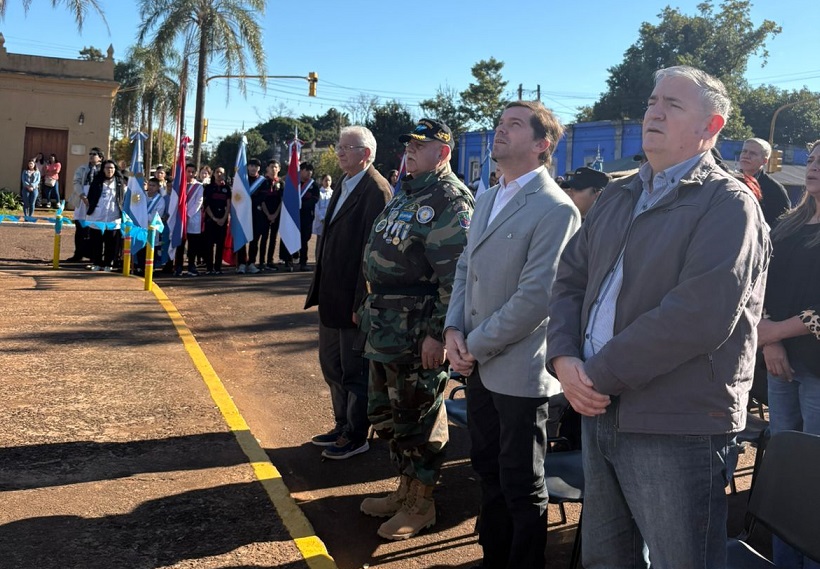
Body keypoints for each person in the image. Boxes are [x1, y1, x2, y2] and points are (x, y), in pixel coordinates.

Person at [546, 65, 770, 568]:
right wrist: (562, 357)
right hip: (598, 407)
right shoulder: (618, 194)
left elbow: (697, 315)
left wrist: (593, 376)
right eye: (652, 101)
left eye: (673, 104)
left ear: (710, 128)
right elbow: (569, 281)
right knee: (607, 559)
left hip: (677, 422)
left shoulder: (728, 205)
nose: (654, 111)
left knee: (681, 560)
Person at [444, 101, 581, 569]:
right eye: (500, 124)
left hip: (519, 374)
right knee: (487, 471)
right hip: (476, 363)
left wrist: (471, 347)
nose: (500, 131)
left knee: (522, 483)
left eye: (514, 125)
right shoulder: (486, 197)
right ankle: (494, 558)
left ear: (542, 145)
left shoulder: (555, 208)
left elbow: (536, 299)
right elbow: (466, 269)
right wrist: (451, 331)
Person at [358, 118, 474, 540]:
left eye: (420, 144)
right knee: (386, 415)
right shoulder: (407, 191)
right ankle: (404, 487)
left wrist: (439, 333)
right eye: (409, 142)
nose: (410, 148)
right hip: (385, 325)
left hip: (417, 331)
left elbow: (457, 277)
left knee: (417, 415)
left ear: (442, 153)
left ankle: (421, 502)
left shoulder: (449, 200)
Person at [304, 126, 392, 460]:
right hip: (331, 295)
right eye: (338, 146)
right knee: (331, 364)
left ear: (366, 153)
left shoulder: (377, 190)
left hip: (353, 300)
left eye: (347, 147)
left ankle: (356, 434)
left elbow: (373, 253)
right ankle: (341, 425)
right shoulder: (344, 181)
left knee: (354, 370)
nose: (339, 152)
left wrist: (362, 300)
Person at [757, 139, 820, 569]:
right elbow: (758, 281)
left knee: (813, 476)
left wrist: (775, 331)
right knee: (784, 470)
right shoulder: (788, 223)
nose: (813, 167)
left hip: (817, 371)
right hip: (780, 364)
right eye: (813, 159)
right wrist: (772, 340)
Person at [739, 137, 791, 227]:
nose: (746, 156)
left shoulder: (775, 190)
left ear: (765, 161)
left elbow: (783, 224)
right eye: (744, 151)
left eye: (752, 153)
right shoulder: (731, 181)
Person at [83, 160, 126, 271]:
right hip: (97, 216)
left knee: (111, 242)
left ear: (115, 169)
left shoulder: (119, 182)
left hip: (113, 216)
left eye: (112, 168)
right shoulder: (97, 181)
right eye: (107, 168)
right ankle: (97, 263)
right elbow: (91, 197)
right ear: (103, 169)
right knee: (96, 241)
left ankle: (109, 263)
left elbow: (122, 198)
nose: (109, 170)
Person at [67, 147, 104, 263]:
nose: (92, 156)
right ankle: (78, 254)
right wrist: (82, 195)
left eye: (95, 154)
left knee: (94, 228)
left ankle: (94, 255)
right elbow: (76, 182)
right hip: (82, 199)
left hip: (97, 200)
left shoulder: (103, 169)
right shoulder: (82, 168)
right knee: (80, 228)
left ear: (100, 157)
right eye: (90, 153)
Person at [174, 163, 205, 277]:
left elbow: (199, 202)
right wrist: (181, 216)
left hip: (193, 219)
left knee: (193, 245)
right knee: (180, 244)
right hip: (180, 219)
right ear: (185, 172)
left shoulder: (199, 186)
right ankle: (178, 266)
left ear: (196, 173)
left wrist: (187, 214)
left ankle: (191, 266)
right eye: (189, 171)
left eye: (193, 172)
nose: (190, 174)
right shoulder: (180, 185)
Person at [135, 177, 168, 275]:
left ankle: (150, 267)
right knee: (141, 247)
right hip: (140, 226)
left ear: (158, 187)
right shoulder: (141, 196)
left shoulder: (160, 200)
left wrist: (143, 215)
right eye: (150, 185)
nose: (151, 187)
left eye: (154, 186)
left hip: (152, 228)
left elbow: (157, 215)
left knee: (151, 248)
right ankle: (140, 266)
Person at [238, 158, 265, 274]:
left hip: (256, 214)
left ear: (259, 168)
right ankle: (242, 264)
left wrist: (249, 202)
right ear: (248, 167)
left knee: (254, 240)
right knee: (242, 239)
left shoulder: (263, 181)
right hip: (243, 214)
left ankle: (252, 263)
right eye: (252, 166)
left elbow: (263, 197)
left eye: (256, 166)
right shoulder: (242, 180)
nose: (254, 168)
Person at [203, 166, 231, 275]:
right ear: (214, 174)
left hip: (222, 220)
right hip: (211, 220)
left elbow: (228, 204)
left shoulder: (227, 188)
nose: (220, 174)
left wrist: (224, 218)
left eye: (222, 173)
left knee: (220, 245)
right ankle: (209, 268)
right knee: (209, 245)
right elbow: (206, 205)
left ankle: (218, 268)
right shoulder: (208, 188)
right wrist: (214, 218)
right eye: (218, 172)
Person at [312, 174, 333, 258]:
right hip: (320, 220)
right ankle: (318, 258)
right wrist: (321, 218)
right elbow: (316, 207)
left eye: (329, 180)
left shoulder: (333, 193)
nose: (327, 182)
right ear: (322, 181)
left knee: (328, 241)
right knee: (320, 240)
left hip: (329, 219)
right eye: (326, 180)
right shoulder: (319, 193)